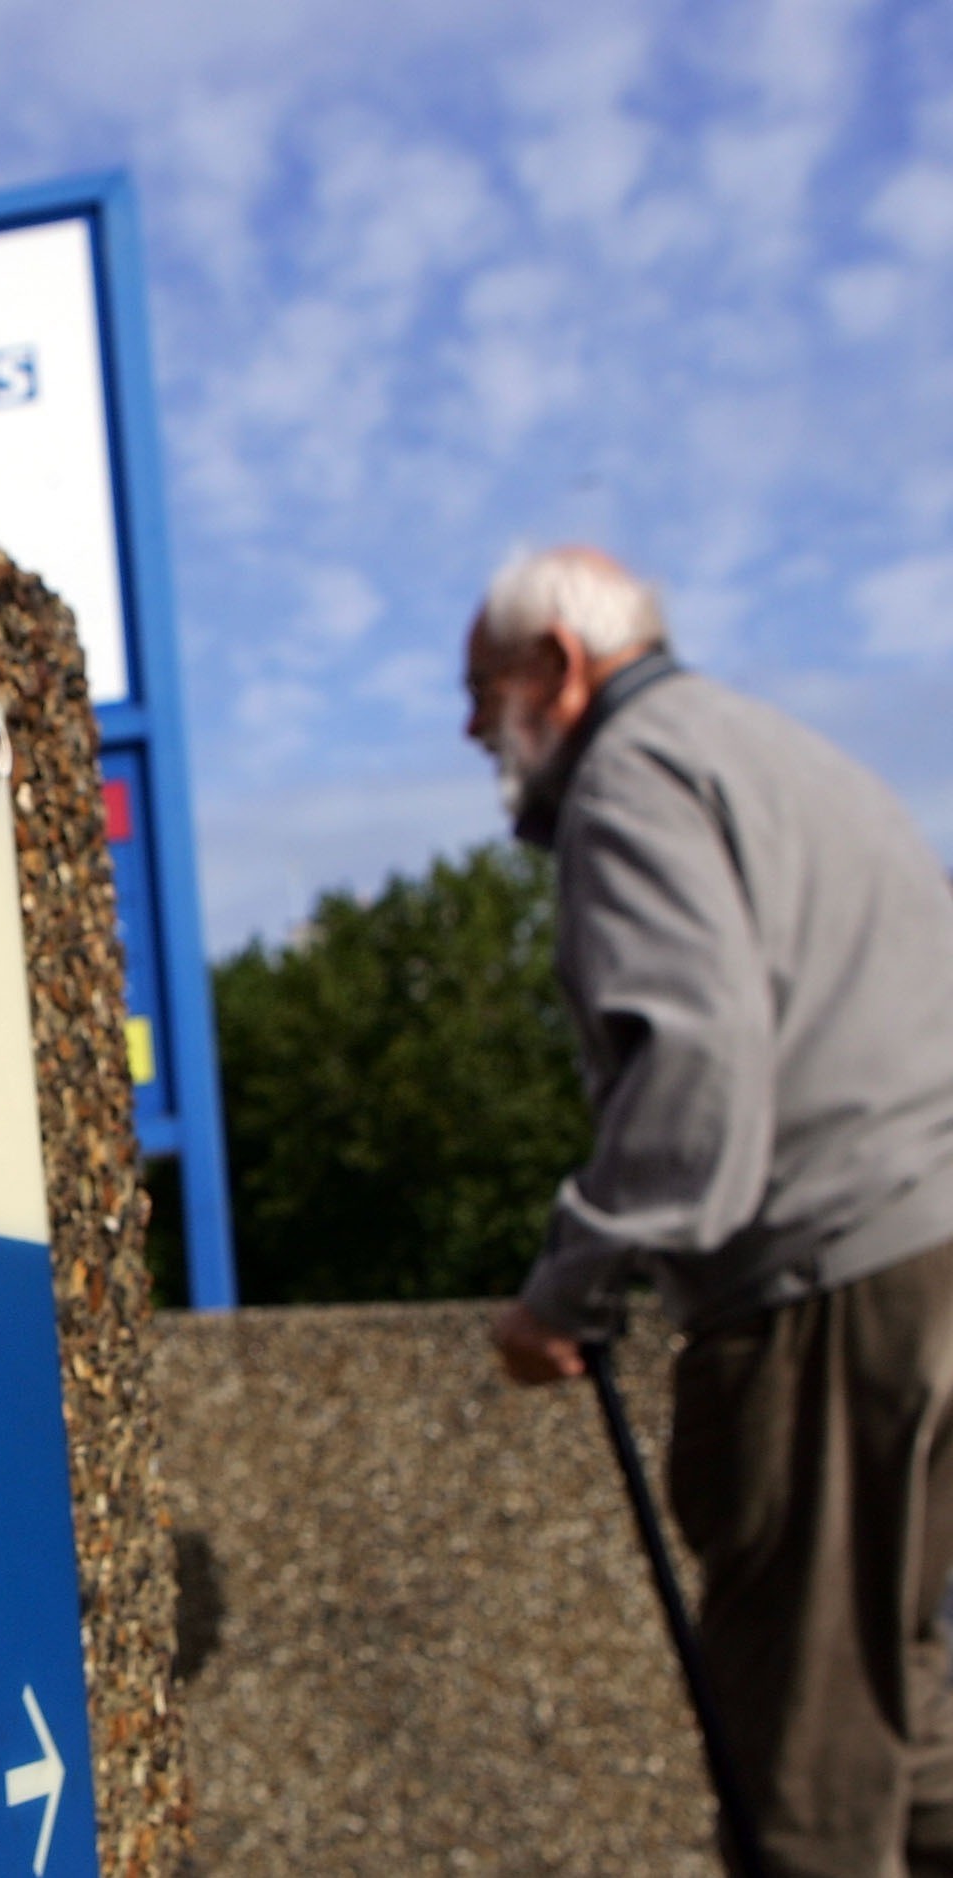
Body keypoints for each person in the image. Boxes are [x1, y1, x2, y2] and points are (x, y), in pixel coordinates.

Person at [469, 545, 953, 1878]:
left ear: (560, 667)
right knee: (905, 1704)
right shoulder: (789, 756)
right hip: (932, 1249)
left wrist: (570, 1286)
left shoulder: (630, 779)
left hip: (826, 1286)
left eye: (482, 686)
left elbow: (695, 1070)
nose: (471, 726)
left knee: (798, 1762)